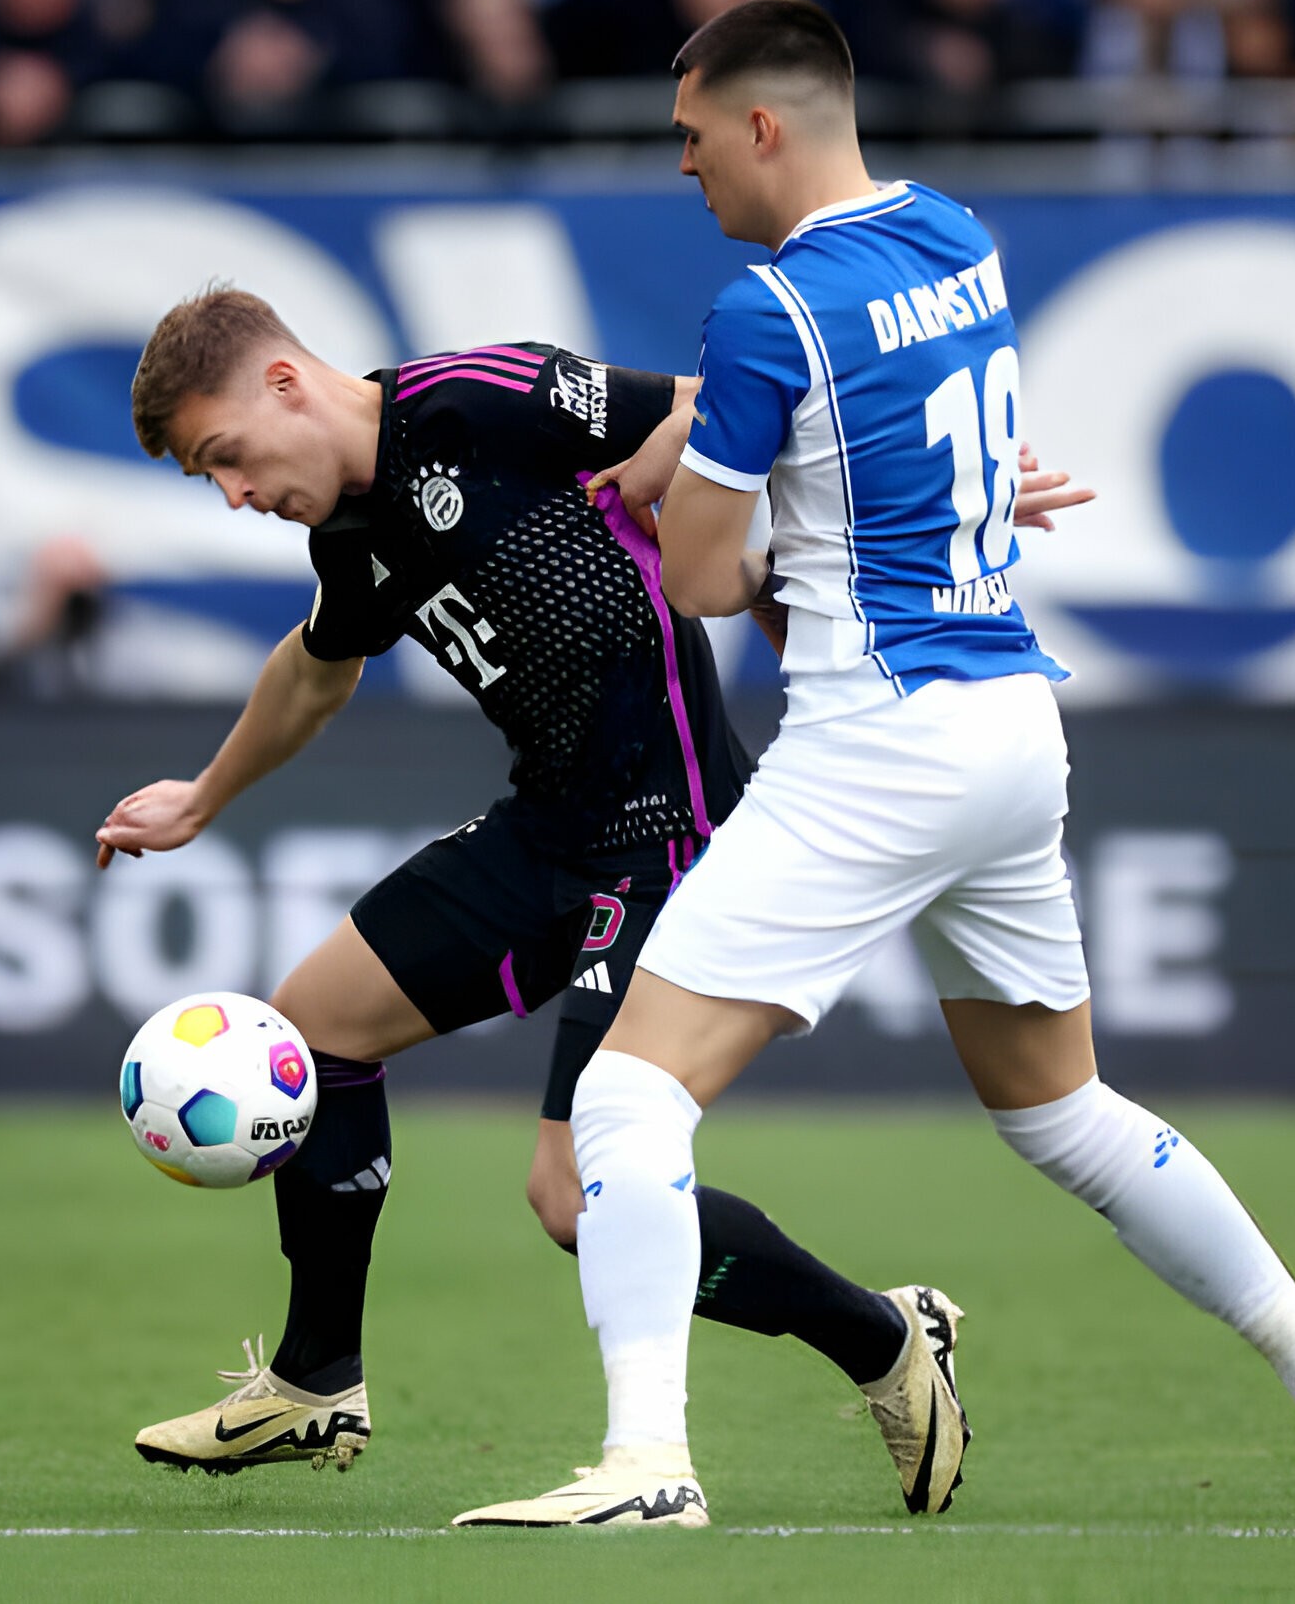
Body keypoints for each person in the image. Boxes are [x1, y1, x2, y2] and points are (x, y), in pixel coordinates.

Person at [454, 0, 1295, 1532]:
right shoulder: (956, 239)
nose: (686, 170)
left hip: (878, 742)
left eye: (692, 139)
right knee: (1061, 1110)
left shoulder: (766, 312)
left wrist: (660, 487)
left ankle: (647, 1467)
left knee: (628, 1108)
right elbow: (893, 458)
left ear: (764, 125)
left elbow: (706, 580)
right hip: (1007, 729)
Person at [93, 287, 1091, 1509]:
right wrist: (201, 797)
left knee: (574, 1199)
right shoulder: (349, 536)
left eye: (226, 457)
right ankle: (316, 1384)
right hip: (551, 826)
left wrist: (934, 511)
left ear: (287, 384)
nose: (236, 494)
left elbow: (715, 410)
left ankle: (882, 1340)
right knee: (315, 1033)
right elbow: (318, 671)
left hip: (668, 834)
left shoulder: (479, 401)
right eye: (212, 480)